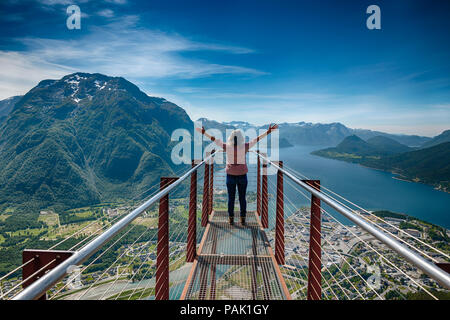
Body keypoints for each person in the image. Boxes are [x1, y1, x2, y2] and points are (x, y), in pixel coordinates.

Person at [196, 124, 278, 225]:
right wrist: (268, 132)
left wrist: (204, 132)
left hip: (230, 176)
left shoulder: (226, 147)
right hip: (242, 175)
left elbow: (214, 140)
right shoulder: (245, 146)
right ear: (241, 138)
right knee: (242, 198)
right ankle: (243, 219)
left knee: (231, 198)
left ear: (230, 137)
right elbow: (257, 139)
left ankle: (231, 219)